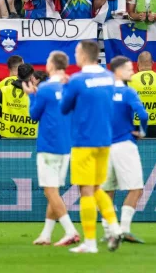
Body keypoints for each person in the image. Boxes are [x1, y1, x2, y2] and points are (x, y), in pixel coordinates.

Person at [60, 40, 123, 253]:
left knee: (86, 190)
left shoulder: (77, 80)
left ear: (85, 55)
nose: (75, 55)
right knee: (97, 188)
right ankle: (114, 227)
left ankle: (90, 242)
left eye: (77, 52)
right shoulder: (108, 77)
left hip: (84, 141)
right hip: (105, 140)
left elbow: (64, 107)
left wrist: (65, 86)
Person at [24, 51, 79, 247]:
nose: (46, 63)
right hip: (66, 145)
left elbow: (33, 116)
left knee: (50, 191)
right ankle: (46, 234)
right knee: (53, 190)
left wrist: (31, 96)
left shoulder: (45, 89)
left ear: (53, 65)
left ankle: (70, 231)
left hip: (48, 145)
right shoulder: (71, 87)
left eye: (47, 61)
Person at [102, 56, 148, 244]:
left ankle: (108, 231)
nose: (133, 71)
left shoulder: (102, 92)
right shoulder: (129, 93)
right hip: (124, 145)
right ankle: (124, 229)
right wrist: (142, 132)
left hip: (103, 146)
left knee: (107, 191)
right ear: (118, 71)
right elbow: (143, 114)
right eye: (129, 69)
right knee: (136, 188)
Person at [0, 63, 43, 139]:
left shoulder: (5, 90)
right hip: (29, 136)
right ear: (31, 77)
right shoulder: (34, 92)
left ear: (17, 75)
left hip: (7, 135)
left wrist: (3, 114)